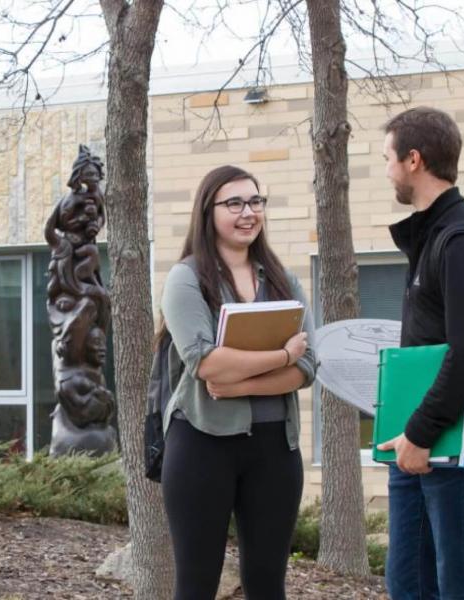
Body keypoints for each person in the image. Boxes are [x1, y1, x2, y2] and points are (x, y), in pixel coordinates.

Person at [159, 165, 316, 600]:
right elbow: (206, 362)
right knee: (196, 585)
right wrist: (283, 355)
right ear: (208, 212)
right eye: (234, 203)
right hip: (201, 444)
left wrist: (239, 381)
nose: (248, 212)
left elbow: (309, 369)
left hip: (275, 450)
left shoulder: (284, 282)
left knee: (269, 586)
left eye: (255, 201)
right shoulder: (187, 279)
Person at [376, 107, 464, 599]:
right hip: (422, 434)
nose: (386, 170)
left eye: (389, 158)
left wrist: (420, 430)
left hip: (459, 433)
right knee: (409, 584)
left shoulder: (462, 242)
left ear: (414, 160)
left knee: (460, 585)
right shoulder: (433, 236)